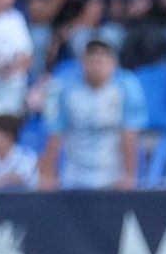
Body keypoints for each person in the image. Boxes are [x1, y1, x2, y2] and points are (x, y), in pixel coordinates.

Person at [39, 38, 144, 190]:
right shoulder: (62, 89)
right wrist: (48, 175)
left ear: (113, 64)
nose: (97, 67)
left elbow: (130, 134)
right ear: (83, 62)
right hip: (73, 176)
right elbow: (54, 134)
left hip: (112, 176)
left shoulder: (128, 87)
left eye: (102, 62)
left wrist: (129, 175)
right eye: (92, 61)